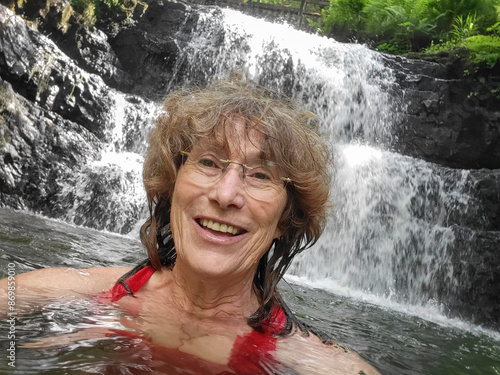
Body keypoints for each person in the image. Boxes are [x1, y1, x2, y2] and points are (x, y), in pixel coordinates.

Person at [0, 78, 380, 374]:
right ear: (172, 184)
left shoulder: (316, 360)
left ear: (285, 219)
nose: (226, 193)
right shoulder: (72, 291)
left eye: (261, 175)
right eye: (209, 163)